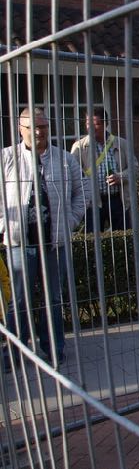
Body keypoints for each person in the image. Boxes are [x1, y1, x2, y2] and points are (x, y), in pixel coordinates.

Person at [3, 107, 86, 367]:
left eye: (43, 127)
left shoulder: (65, 159)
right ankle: (16, 352)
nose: (39, 132)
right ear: (20, 129)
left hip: (54, 242)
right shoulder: (6, 158)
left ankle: (54, 349)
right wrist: (4, 225)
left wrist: (70, 221)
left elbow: (83, 191)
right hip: (20, 242)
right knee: (19, 299)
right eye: (32, 127)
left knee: (53, 297)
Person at [71, 106, 138, 231]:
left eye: (96, 124)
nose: (90, 128)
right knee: (93, 240)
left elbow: (135, 169)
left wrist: (121, 177)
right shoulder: (79, 147)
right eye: (87, 123)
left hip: (118, 200)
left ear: (105, 124)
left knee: (123, 238)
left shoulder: (121, 144)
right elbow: (73, 175)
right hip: (93, 202)